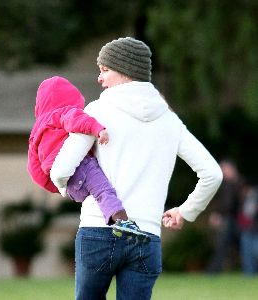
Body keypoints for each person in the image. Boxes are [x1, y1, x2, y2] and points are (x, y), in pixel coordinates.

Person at [50, 37, 223, 300]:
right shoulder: (169, 119)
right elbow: (212, 173)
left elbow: (61, 169)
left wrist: (67, 189)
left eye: (105, 70)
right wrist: (187, 211)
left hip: (98, 230)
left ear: (125, 70)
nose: (100, 78)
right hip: (146, 236)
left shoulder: (98, 110)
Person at [27, 75, 148, 237]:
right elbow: (77, 120)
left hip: (70, 188)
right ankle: (121, 220)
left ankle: (113, 218)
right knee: (104, 190)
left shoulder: (35, 132)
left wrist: (59, 186)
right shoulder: (61, 113)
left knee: (98, 192)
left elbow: (34, 170)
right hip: (80, 167)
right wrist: (97, 129)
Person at [206, 159, 243, 273]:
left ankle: (213, 271)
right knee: (226, 245)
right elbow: (222, 203)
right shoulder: (227, 185)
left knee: (226, 245)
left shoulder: (239, 184)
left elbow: (230, 205)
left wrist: (218, 214)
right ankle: (213, 270)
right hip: (231, 221)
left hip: (237, 221)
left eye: (224, 169)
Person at [237, 178, 258, 275]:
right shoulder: (245, 198)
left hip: (253, 228)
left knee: (253, 251)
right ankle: (249, 273)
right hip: (247, 228)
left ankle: (250, 272)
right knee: (247, 252)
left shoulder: (254, 196)